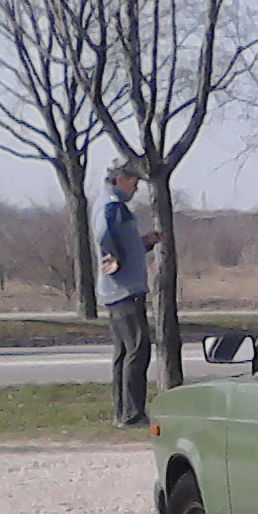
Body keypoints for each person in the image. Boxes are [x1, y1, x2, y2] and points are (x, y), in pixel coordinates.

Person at [98, 157, 160, 428]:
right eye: (133, 182)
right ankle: (132, 415)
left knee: (124, 352)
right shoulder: (112, 207)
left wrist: (145, 243)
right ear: (121, 178)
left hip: (118, 290)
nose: (135, 188)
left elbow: (126, 244)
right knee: (138, 349)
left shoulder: (112, 206)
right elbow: (104, 237)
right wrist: (114, 260)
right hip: (124, 290)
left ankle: (123, 413)